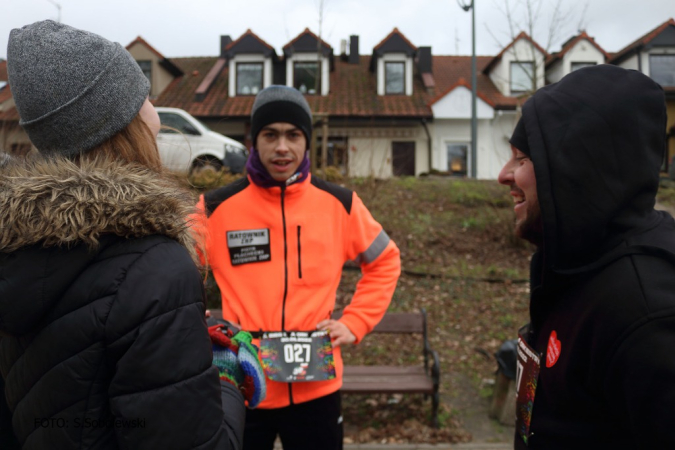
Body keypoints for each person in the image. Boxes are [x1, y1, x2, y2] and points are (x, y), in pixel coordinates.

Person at [0, 20, 260, 449]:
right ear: (125, 120)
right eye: (146, 97)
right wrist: (226, 374)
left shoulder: (16, 250)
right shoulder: (155, 269)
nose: (156, 113)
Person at [193, 85, 401, 449]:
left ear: (307, 141)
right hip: (243, 382)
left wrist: (356, 321)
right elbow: (173, 274)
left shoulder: (341, 204)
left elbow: (385, 260)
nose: (282, 147)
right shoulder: (214, 208)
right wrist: (201, 326)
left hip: (316, 387)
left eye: (293, 135)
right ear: (254, 141)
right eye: (270, 135)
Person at [498, 64, 675, 449]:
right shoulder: (575, 263)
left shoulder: (647, 314)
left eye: (521, 159)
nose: (503, 175)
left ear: (574, 167)